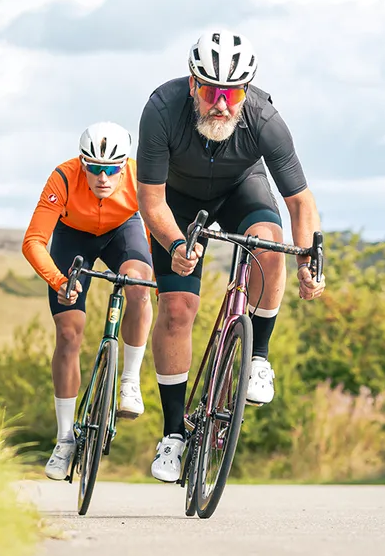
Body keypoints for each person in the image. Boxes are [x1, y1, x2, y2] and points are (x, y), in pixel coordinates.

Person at [136, 29, 327, 483]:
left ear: (247, 91)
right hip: (177, 204)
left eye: (233, 92)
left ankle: (258, 356)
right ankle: (173, 436)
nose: (221, 103)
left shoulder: (263, 118)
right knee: (178, 309)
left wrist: (310, 261)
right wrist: (175, 245)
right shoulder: (161, 110)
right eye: (211, 91)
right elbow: (151, 200)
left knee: (269, 242)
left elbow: (301, 202)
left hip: (241, 189)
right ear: (192, 85)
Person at [22, 121, 155, 481]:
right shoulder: (63, 178)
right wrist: (59, 280)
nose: (103, 177)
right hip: (73, 236)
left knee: (139, 287)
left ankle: (128, 380)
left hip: (122, 231)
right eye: (94, 167)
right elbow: (33, 240)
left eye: (112, 169)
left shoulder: (141, 175)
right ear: (82, 163)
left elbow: (159, 222)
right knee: (69, 333)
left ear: (124, 165)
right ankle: (65, 438)